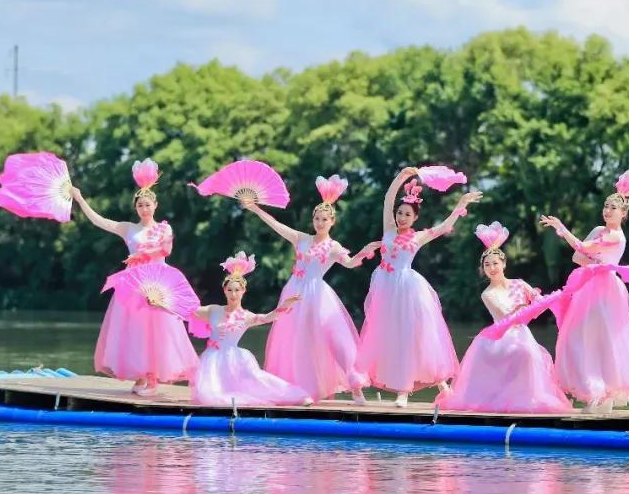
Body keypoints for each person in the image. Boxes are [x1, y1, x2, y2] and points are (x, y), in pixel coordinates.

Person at [240, 175, 378, 403]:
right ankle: (299, 389)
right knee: (297, 342)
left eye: (324, 219)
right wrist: (255, 208)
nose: (320, 222)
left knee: (335, 337)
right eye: (316, 218)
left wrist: (365, 250)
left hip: (319, 295)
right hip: (294, 293)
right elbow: (277, 225)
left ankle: (355, 387)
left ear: (332, 221)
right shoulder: (301, 239)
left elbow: (351, 263)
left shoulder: (333, 246)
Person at [356, 167, 482, 407]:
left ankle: (409, 389)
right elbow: (387, 199)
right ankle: (423, 385)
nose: (401, 217)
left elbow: (444, 227)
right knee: (389, 337)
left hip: (407, 289)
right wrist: (401, 177)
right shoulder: (389, 231)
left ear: (415, 218)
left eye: (406, 214)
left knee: (414, 336)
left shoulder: (418, 237)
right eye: (399, 213)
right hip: (385, 288)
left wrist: (461, 204)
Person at [71, 158, 198, 396]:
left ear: (155, 205)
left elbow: (165, 250)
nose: (144, 208)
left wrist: (140, 256)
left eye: (148, 204)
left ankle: (152, 378)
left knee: (159, 332)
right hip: (133, 287)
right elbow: (99, 221)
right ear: (136, 208)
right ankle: (141, 375)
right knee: (135, 333)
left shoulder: (164, 228)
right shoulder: (129, 228)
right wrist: (79, 198)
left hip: (158, 285)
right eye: (140, 205)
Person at [539, 168, 629, 412]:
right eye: (606, 206)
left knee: (605, 341)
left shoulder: (616, 237)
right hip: (590, 286)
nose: (607, 210)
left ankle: (603, 394)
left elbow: (581, 246)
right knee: (578, 336)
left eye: (613, 208)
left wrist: (561, 228)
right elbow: (579, 257)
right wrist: (597, 265)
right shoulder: (600, 230)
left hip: (608, 291)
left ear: (623, 213)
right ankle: (594, 392)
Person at [436, 222, 572, 413]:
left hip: (521, 333)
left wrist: (544, 300)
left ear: (504, 264)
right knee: (522, 351)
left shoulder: (519, 283)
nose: (492, 268)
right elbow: (504, 316)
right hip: (500, 336)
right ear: (483, 269)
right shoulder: (487, 293)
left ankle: (527, 398)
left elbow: (539, 306)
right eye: (487, 265)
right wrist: (522, 308)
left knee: (530, 353)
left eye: (495, 263)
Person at [190, 252, 310, 406]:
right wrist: (164, 304)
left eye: (237, 290)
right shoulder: (213, 310)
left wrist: (284, 306)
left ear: (243, 291)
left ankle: (294, 396)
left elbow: (267, 318)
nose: (233, 294)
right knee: (209, 396)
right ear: (224, 291)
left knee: (258, 380)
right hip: (212, 360)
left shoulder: (246, 316)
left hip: (234, 358)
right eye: (230, 290)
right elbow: (189, 310)